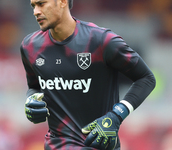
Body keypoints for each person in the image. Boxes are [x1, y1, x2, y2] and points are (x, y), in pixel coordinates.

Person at [20, 0, 156, 149]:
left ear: (63, 2)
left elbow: (146, 78)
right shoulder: (30, 46)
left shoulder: (101, 40)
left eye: (41, 4)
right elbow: (34, 86)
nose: (36, 12)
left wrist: (116, 116)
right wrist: (30, 100)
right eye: (33, 6)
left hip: (99, 144)